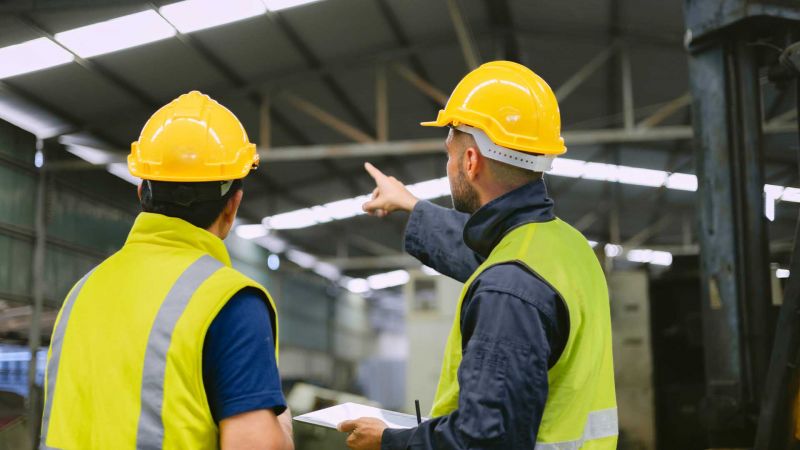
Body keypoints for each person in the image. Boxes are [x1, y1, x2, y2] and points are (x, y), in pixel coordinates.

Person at [339, 61, 618, 449]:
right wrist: (411, 205)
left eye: (449, 154)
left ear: (470, 161)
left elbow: (486, 440)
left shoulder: (508, 289)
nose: (448, 165)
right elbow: (484, 251)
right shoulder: (566, 247)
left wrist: (389, 441)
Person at [39, 91, 293, 450]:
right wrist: (280, 422)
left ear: (142, 190)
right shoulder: (230, 302)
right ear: (232, 205)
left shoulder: (81, 292)